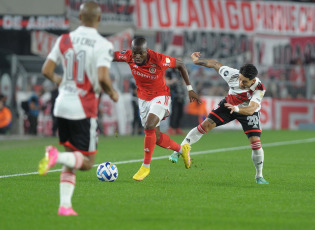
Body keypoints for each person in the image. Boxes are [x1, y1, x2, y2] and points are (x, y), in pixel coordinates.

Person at [38, 1, 119, 216]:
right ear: (99, 19)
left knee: (72, 157)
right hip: (84, 108)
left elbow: (46, 70)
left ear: (80, 18)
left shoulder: (64, 39)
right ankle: (55, 156)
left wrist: (60, 81)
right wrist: (112, 93)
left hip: (62, 105)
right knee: (87, 163)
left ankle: (65, 206)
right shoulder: (103, 44)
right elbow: (102, 77)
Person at [169, 52, 269, 185]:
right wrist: (197, 62)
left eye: (244, 82)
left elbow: (251, 109)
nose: (240, 83)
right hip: (229, 105)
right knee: (205, 125)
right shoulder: (232, 74)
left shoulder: (259, 87)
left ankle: (259, 176)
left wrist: (238, 109)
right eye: (240, 79)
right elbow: (215, 64)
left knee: (256, 143)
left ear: (253, 80)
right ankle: (180, 150)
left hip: (247, 111)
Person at [113, 37, 201, 181]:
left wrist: (190, 89)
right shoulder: (128, 56)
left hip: (161, 96)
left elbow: (180, 64)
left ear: (147, 51)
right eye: (135, 53)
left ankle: (145, 167)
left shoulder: (159, 59)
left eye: (140, 53)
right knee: (157, 138)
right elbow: (110, 55)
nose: (137, 56)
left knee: (149, 125)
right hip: (143, 100)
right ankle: (181, 149)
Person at [165, 68, 187, 135]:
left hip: (181, 94)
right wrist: (172, 81)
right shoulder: (169, 71)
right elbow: (166, 82)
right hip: (173, 95)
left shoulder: (180, 72)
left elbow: (184, 82)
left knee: (180, 112)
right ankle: (171, 128)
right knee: (174, 112)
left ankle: (177, 128)